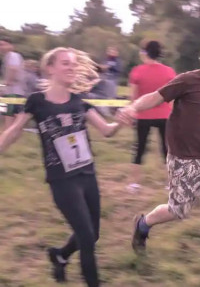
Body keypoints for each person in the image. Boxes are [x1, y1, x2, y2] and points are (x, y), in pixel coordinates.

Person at [119, 33, 200, 281]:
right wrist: (132, 107)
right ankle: (143, 224)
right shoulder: (188, 81)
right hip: (184, 159)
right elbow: (155, 97)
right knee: (178, 211)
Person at [0, 47, 128, 286]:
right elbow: (14, 130)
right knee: (87, 238)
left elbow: (107, 131)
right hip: (62, 181)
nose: (71, 67)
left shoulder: (80, 102)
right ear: (50, 68)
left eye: (73, 64)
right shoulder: (37, 102)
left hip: (88, 175)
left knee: (93, 234)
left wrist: (119, 122)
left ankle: (60, 255)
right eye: (65, 63)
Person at [128, 40, 175, 189]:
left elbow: (133, 97)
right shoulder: (169, 72)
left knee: (139, 148)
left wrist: (131, 113)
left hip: (143, 115)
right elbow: (172, 96)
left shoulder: (137, 71)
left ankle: (135, 183)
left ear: (144, 52)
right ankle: (170, 183)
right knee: (167, 149)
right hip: (165, 115)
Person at [0, 37, 26, 131]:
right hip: (17, 92)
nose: (0, 47)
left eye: (3, 44)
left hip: (12, 92)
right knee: (15, 118)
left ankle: (5, 140)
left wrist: (6, 83)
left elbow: (13, 69)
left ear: (11, 46)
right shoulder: (12, 56)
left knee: (9, 117)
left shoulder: (12, 55)